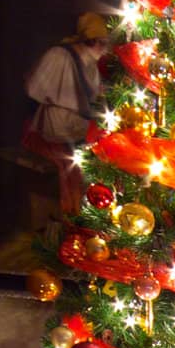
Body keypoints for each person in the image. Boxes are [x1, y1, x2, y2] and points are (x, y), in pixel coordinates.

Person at [23, 11, 108, 213]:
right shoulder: (58, 55)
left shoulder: (92, 64)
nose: (105, 49)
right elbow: (34, 88)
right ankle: (71, 214)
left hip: (78, 127)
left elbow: (93, 97)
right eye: (102, 43)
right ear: (91, 40)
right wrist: (58, 100)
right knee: (70, 165)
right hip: (53, 128)